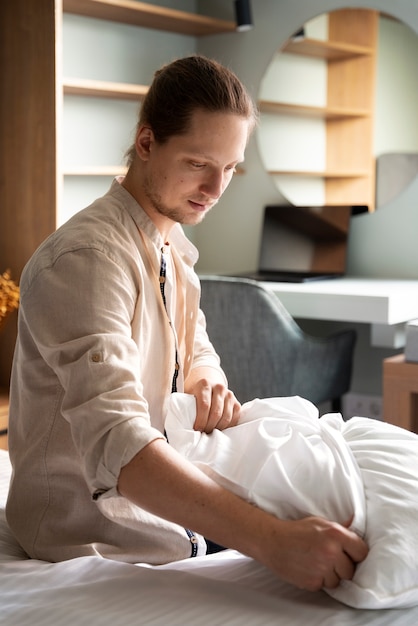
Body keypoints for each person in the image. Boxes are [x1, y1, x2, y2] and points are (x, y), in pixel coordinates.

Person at [6, 55, 367, 591]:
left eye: (231, 169)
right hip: (91, 532)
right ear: (147, 143)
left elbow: (195, 345)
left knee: (363, 502)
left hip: (168, 503)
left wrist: (206, 382)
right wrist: (270, 540)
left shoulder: (170, 243)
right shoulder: (86, 260)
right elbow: (118, 441)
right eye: (199, 163)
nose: (216, 188)